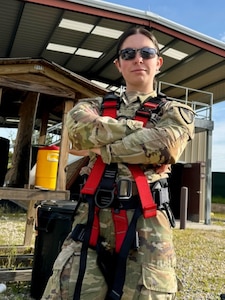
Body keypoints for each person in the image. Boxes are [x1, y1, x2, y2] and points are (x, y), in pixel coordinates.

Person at [42, 26, 195, 300]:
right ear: (118, 64)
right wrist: (140, 133)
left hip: (147, 226)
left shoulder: (176, 111)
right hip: (89, 223)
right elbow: (77, 131)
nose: (138, 59)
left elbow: (166, 146)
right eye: (129, 53)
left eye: (146, 53)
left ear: (158, 62)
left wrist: (101, 148)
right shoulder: (91, 105)